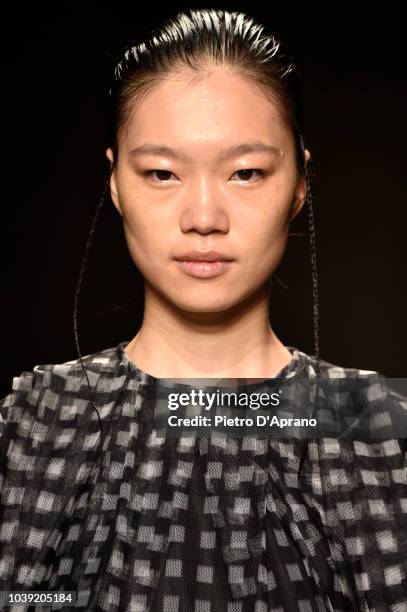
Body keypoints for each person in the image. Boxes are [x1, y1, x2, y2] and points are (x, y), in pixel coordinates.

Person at [1, 8, 406, 612]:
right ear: (116, 183)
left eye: (245, 172)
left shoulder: (383, 433)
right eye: (162, 172)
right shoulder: (29, 425)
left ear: (299, 181)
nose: (204, 217)